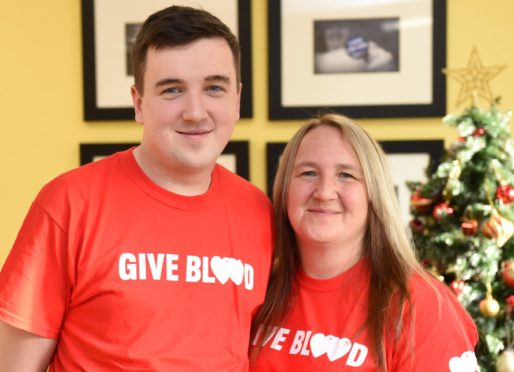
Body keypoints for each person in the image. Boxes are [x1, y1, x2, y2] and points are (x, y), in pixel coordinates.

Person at [0, 5, 274, 371]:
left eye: (214, 88)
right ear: (139, 103)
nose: (195, 111)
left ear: (237, 99)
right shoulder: (70, 202)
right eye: (172, 89)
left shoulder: (259, 211)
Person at [249, 114, 479, 371]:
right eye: (308, 173)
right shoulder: (258, 288)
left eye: (346, 175)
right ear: (284, 188)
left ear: (374, 194)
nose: (324, 192)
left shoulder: (422, 306)